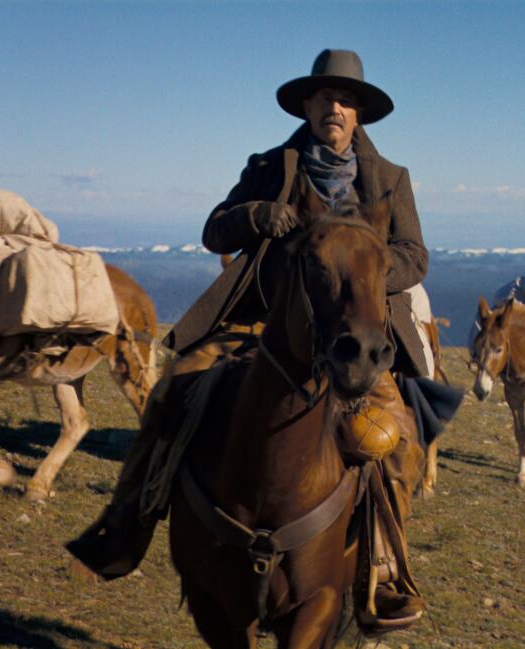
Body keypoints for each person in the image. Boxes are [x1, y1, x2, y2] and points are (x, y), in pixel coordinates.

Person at [68, 49, 461, 630]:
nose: (335, 107)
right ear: (307, 105)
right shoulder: (270, 164)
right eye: (326, 97)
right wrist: (255, 215)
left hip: (354, 331)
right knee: (173, 390)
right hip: (260, 324)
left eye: (346, 100)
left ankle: (381, 568)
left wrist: (367, 272)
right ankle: (128, 520)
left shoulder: (390, 180)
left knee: (395, 436)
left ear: (360, 115)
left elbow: (415, 256)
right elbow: (213, 229)